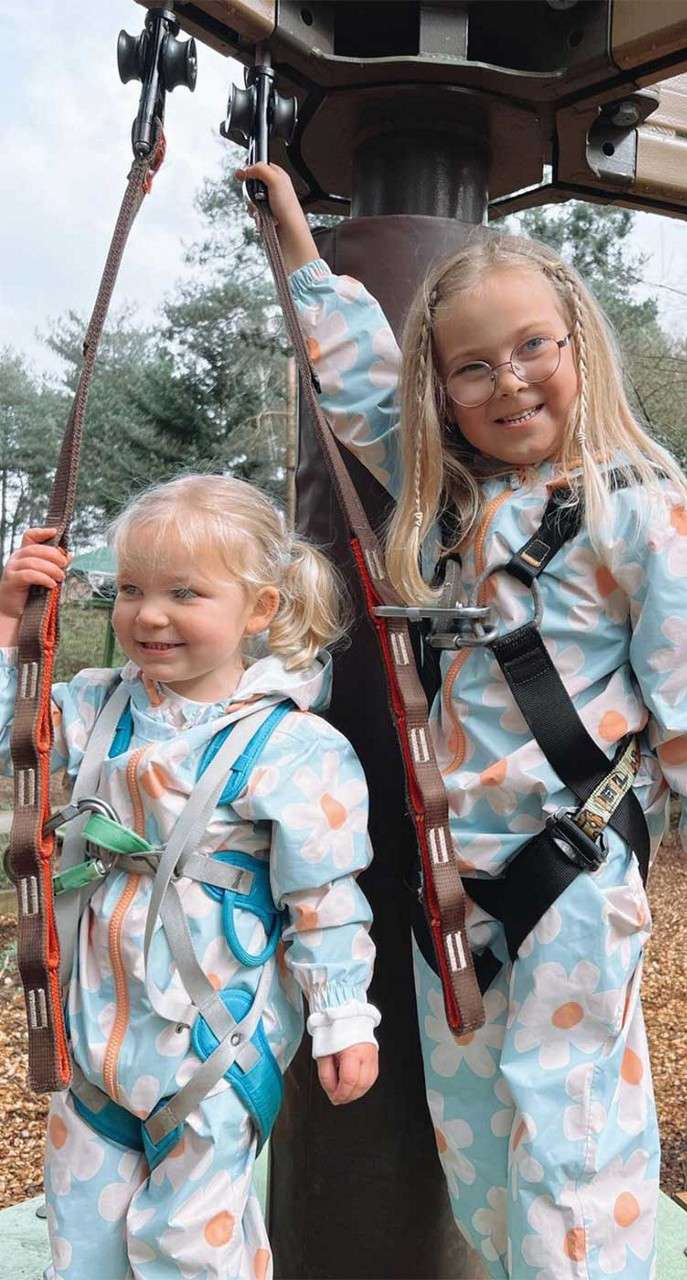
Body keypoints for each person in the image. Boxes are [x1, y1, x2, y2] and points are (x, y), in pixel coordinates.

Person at [243, 162, 687, 1279]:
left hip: (571, 875)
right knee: (481, 1159)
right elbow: (366, 390)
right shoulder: (451, 500)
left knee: (572, 1150)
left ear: (577, 346)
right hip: (449, 891)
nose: (508, 383)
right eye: (473, 367)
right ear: (446, 390)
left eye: (531, 349)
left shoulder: (637, 507)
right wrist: (303, 259)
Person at [0, 474, 380, 1280]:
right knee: (83, 1241)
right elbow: (11, 728)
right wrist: (9, 625)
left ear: (260, 610)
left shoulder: (295, 748)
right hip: (95, 1037)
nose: (150, 614)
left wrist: (343, 1016)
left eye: (184, 592)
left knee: (191, 1248)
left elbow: (325, 897)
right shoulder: (95, 708)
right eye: (132, 589)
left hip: (212, 1046)